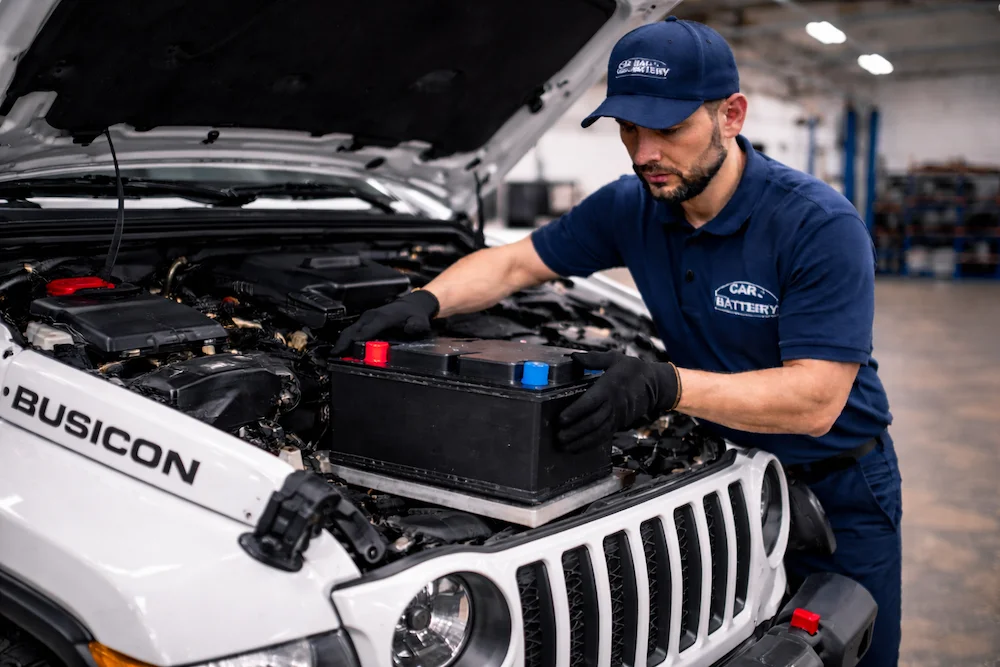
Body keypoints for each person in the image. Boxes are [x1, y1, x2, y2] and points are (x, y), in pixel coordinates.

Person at [332, 16, 901, 667]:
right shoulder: (631, 207)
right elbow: (516, 263)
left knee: (857, 654)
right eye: (629, 128)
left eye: (668, 128)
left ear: (732, 115)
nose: (643, 151)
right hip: (725, 465)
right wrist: (426, 300)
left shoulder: (815, 224)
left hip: (839, 484)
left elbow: (816, 399)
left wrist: (668, 385)